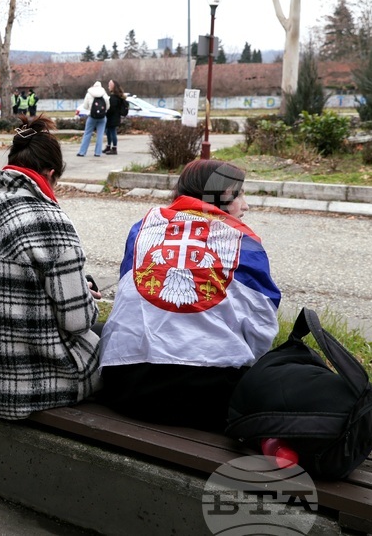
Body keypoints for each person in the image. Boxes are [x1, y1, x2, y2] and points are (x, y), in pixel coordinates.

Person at [98, 160, 281, 431]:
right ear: (218, 197)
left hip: (124, 386)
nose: (246, 205)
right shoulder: (245, 245)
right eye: (239, 194)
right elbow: (262, 328)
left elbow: (130, 295)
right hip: (208, 398)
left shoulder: (142, 229)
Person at [0, 116, 102, 420]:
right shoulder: (51, 221)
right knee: (109, 338)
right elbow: (77, 321)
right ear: (50, 174)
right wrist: (86, 298)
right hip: (31, 387)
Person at [76, 80, 109, 157]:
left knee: (87, 133)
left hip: (92, 116)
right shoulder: (104, 94)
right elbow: (108, 106)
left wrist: (90, 108)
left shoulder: (89, 93)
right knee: (100, 135)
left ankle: (82, 152)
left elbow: (85, 106)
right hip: (102, 117)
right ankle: (97, 153)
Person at [103, 79, 127, 155]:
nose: (108, 87)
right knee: (108, 132)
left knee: (112, 132)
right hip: (115, 117)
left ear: (113, 87)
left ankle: (114, 148)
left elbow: (111, 109)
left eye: (109, 85)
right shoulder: (119, 97)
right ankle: (109, 146)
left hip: (112, 118)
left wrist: (106, 113)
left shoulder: (113, 98)